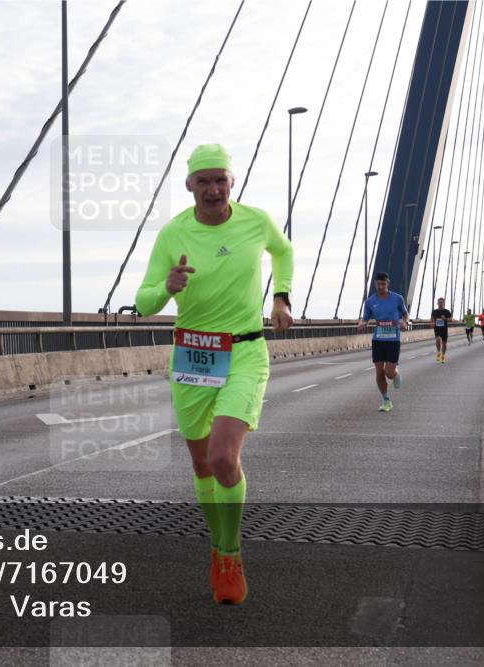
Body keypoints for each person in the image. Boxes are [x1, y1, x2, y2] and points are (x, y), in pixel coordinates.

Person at [135, 144, 293, 605]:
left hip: (244, 351)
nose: (213, 188)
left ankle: (230, 551)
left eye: (220, 179)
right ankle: (216, 544)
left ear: (232, 182)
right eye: (203, 181)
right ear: (189, 186)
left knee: (225, 458)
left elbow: (283, 251)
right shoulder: (172, 234)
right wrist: (167, 287)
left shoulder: (255, 221)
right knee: (202, 464)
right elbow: (143, 302)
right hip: (192, 356)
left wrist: (280, 297)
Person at [358, 272, 409, 412]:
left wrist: (405, 323)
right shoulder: (370, 301)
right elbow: (365, 318)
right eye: (378, 284)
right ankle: (386, 400)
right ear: (375, 284)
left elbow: (405, 314)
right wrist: (362, 323)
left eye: (383, 284)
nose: (380, 286)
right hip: (378, 340)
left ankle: (395, 374)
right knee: (379, 372)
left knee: (388, 373)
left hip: (393, 340)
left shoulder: (398, 298)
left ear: (388, 284)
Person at [431, 298, 453, 363]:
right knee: (438, 340)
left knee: (444, 344)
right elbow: (432, 319)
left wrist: (445, 319)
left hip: (444, 329)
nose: (440, 304)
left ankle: (443, 356)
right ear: (437, 303)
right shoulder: (434, 311)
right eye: (439, 302)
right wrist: (432, 323)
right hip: (437, 329)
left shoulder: (447, 311)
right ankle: (438, 352)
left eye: (442, 302)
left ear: (444, 303)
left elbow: (451, 320)